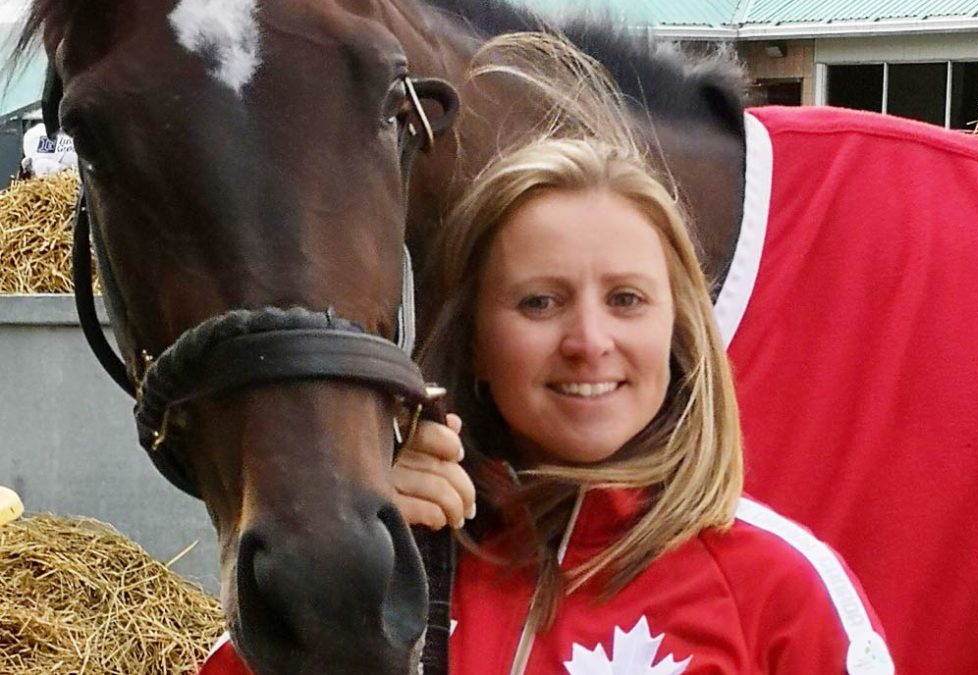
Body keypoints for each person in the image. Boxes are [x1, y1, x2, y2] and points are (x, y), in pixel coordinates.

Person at [199, 34, 894, 675]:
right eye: (540, 302)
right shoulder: (396, 564)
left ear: (680, 332)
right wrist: (348, 566)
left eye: (626, 299)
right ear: (473, 341)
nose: (589, 342)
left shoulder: (782, 591)